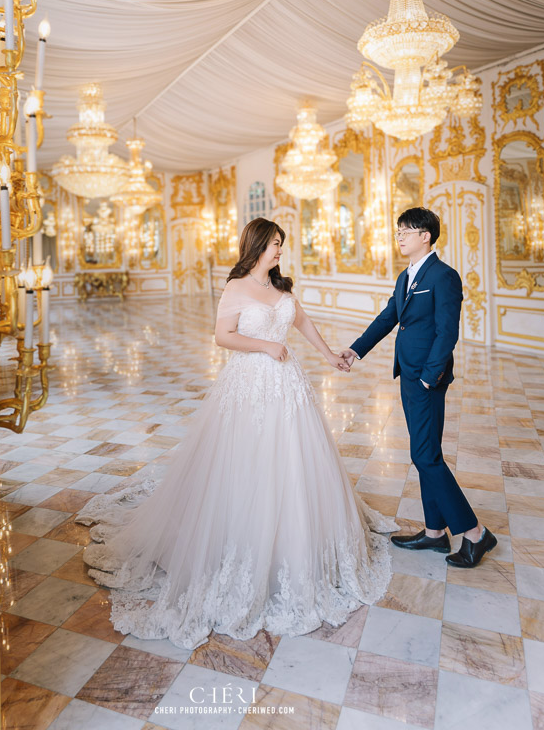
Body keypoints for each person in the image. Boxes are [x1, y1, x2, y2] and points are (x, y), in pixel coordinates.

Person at [76, 217, 396, 649]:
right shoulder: (236, 287)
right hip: (249, 384)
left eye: (282, 244)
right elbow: (221, 336)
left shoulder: (282, 288)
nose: (280, 251)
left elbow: (302, 324)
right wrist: (265, 346)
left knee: (295, 464)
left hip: (288, 386)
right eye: (275, 244)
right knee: (248, 464)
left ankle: (298, 544)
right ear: (257, 246)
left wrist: (330, 356)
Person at [338, 206, 496, 569]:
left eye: (405, 231)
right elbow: (388, 317)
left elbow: (447, 332)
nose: (399, 236)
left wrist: (430, 376)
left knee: (425, 456)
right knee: (424, 452)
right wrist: (356, 349)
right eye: (398, 231)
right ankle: (435, 532)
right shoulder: (404, 276)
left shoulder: (444, 276)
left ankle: (474, 533)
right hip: (408, 374)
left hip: (427, 377)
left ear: (426, 235)